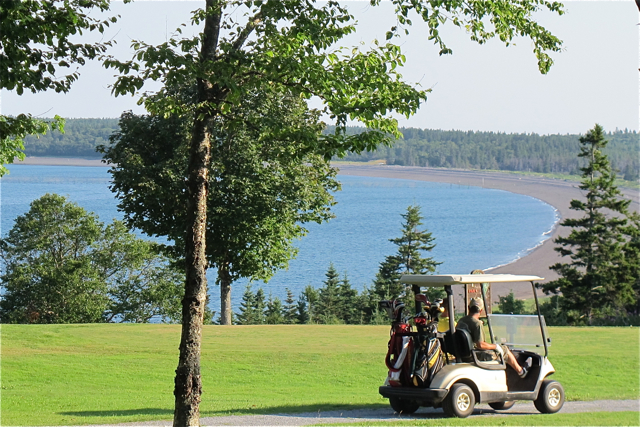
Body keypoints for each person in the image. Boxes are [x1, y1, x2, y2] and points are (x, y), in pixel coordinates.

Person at [457, 298, 530, 378]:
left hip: (464, 355)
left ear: (469, 308)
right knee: (505, 349)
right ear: (481, 310)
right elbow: (480, 345)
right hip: (476, 355)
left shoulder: (461, 320)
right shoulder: (477, 324)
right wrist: (495, 346)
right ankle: (521, 371)